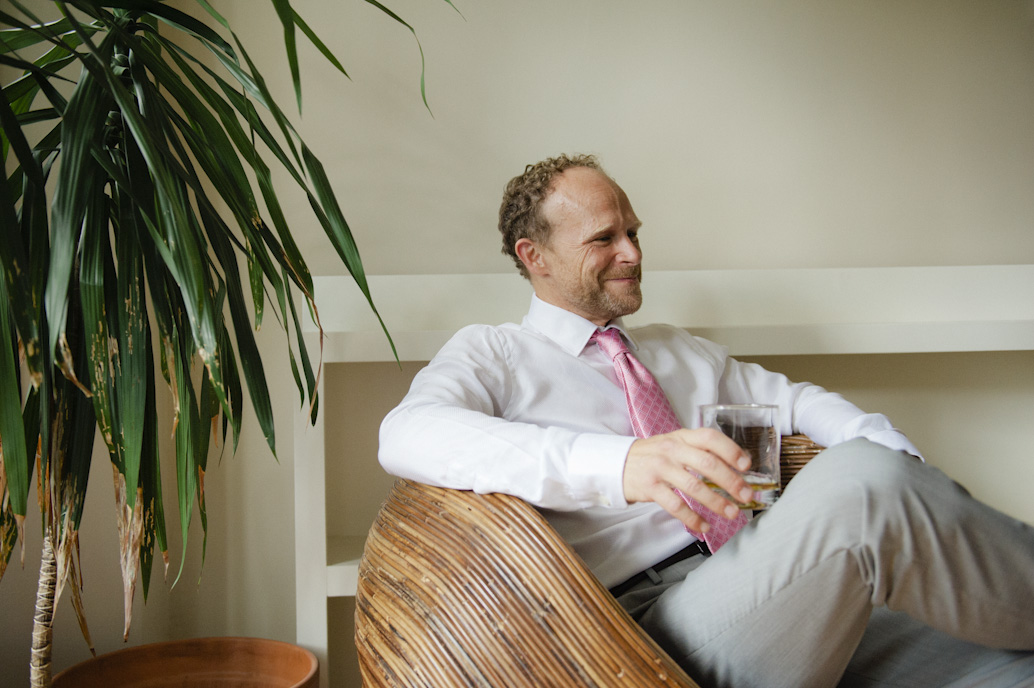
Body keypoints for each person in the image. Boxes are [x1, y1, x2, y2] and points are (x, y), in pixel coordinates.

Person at [378, 154, 1034, 687]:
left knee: (1009, 662)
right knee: (859, 485)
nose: (632, 253)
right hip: (651, 636)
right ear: (535, 257)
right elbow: (408, 433)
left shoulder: (674, 348)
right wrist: (620, 465)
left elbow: (796, 400)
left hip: (776, 584)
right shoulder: (496, 353)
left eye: (633, 231)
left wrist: (894, 454)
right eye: (604, 239)